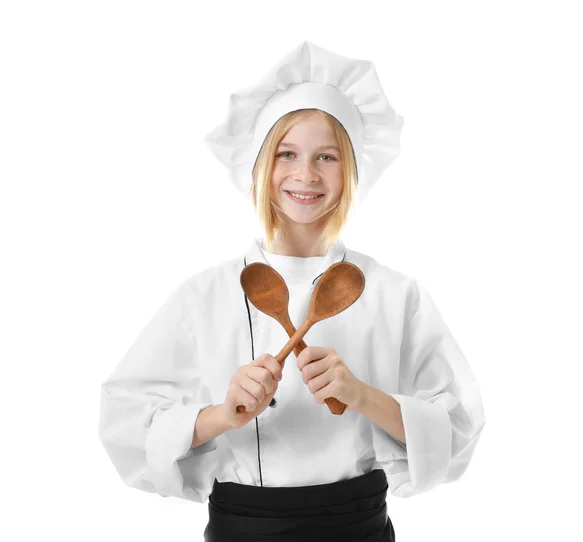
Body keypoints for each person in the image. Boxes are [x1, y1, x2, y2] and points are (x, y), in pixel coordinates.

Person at [98, 40, 486, 542]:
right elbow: (125, 423)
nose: (305, 175)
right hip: (243, 529)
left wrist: (361, 394)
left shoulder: (396, 294)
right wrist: (222, 414)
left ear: (350, 170)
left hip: (355, 529)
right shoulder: (206, 294)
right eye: (287, 154)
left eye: (326, 156)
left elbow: (456, 430)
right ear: (260, 165)